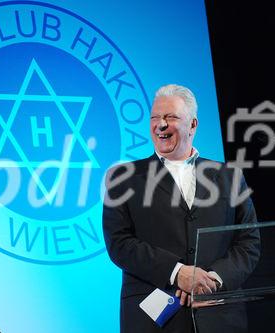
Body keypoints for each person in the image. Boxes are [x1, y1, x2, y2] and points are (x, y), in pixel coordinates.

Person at [102, 84, 260, 333]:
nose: (160, 125)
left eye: (171, 117)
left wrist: (210, 281)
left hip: (219, 316)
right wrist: (177, 273)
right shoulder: (123, 178)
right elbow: (119, 243)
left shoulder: (229, 176)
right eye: (155, 117)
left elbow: (249, 242)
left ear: (193, 125)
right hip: (154, 318)